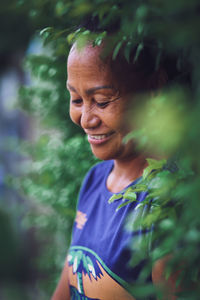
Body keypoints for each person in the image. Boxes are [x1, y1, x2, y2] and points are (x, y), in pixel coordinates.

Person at [51, 39, 177, 300]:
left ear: (153, 89)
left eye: (101, 101)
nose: (86, 119)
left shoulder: (169, 199)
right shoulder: (95, 180)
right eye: (76, 99)